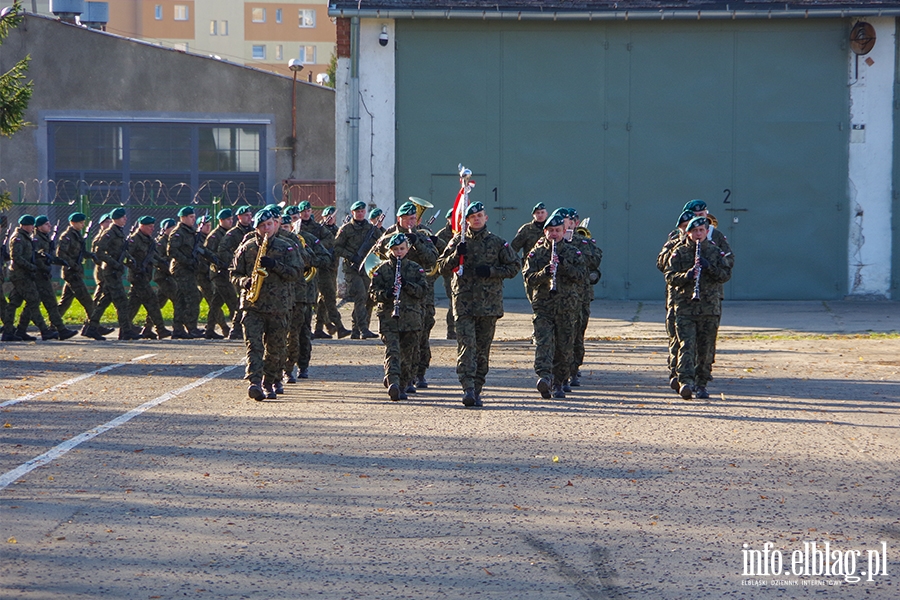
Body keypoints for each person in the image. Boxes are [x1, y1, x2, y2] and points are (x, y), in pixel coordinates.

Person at [436, 202, 520, 406]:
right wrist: (457, 255)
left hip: (488, 305)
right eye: (472, 216)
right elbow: (441, 267)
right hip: (464, 303)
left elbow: (514, 266)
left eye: (480, 215)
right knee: (467, 346)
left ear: (486, 218)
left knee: (482, 349)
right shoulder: (458, 241)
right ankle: (468, 388)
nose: (476, 219)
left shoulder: (498, 243)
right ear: (467, 220)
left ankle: (478, 388)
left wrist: (492, 272)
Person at [231, 209, 302, 400]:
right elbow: (234, 273)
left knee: (275, 349)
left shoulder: (287, 247)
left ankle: (269, 382)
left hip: (279, 307)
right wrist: (243, 281)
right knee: (254, 346)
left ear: (275, 224)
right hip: (252, 306)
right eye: (262, 226)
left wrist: (274, 265)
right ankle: (254, 382)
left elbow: (296, 273)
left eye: (269, 224)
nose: (266, 229)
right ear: (257, 228)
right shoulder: (247, 247)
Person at [664, 216, 734, 400]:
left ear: (705, 231)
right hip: (685, 307)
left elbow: (725, 275)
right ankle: (685, 381)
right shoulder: (679, 253)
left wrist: (709, 267)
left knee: (706, 348)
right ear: (688, 233)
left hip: (709, 307)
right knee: (687, 345)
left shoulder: (715, 251)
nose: (698, 234)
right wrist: (687, 275)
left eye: (701, 230)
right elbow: (669, 276)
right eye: (694, 231)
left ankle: (702, 384)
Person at [373, 201, 438, 392]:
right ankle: (397, 376)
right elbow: (376, 260)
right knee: (394, 342)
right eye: (407, 218)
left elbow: (433, 259)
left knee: (420, 336)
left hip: (418, 294)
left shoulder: (423, 234)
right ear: (399, 219)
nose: (411, 222)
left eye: (414, 218)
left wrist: (416, 241)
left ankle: (417, 373)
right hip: (392, 295)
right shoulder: (388, 236)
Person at [523, 210, 587, 398]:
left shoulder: (573, 252)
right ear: (545, 232)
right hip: (543, 306)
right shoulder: (536, 253)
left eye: (557, 230)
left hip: (567, 308)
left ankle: (559, 382)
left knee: (564, 346)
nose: (554, 234)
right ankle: (544, 376)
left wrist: (564, 266)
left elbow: (582, 276)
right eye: (550, 230)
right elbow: (528, 278)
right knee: (544, 343)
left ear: (564, 230)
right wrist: (544, 273)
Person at [369, 233, 427, 401]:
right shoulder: (382, 269)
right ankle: (393, 382)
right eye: (395, 249)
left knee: (408, 355)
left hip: (411, 318)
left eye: (401, 249)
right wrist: (387, 293)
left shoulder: (416, 269)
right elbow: (373, 293)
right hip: (389, 318)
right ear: (390, 251)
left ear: (407, 249)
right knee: (393, 352)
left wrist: (407, 285)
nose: (398, 252)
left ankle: (402, 384)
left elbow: (423, 291)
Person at [84, 207, 138, 340]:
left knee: (105, 301)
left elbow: (120, 251)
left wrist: (128, 259)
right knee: (122, 302)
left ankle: (92, 328)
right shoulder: (110, 233)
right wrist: (114, 263)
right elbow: (99, 251)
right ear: (117, 219)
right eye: (123, 217)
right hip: (110, 271)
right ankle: (125, 331)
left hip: (115, 271)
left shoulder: (119, 232)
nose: (125, 219)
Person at [6, 215, 63, 340]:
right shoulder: (18, 238)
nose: (33, 227)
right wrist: (32, 267)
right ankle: (44, 330)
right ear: (25, 225)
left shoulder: (26, 238)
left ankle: (12, 331)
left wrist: (41, 256)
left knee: (14, 303)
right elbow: (16, 257)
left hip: (25, 274)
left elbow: (30, 254)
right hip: (20, 275)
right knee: (34, 301)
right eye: (32, 225)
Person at [657, 210, 695, 390]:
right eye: (685, 227)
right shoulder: (674, 242)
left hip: (705, 299)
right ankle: (676, 371)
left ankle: (696, 374)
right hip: (678, 297)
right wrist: (677, 246)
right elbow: (661, 264)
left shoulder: (711, 240)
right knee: (677, 336)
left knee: (699, 339)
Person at [565, 208, 602, 389]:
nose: (567, 224)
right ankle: (561, 371)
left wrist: (582, 243)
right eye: (564, 221)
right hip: (559, 297)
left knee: (578, 333)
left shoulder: (584, 242)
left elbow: (595, 261)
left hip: (582, 295)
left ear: (576, 222)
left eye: (570, 221)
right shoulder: (550, 241)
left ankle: (574, 368)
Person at [334, 200, 379, 339]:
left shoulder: (371, 229)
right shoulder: (346, 229)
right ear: (352, 212)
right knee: (360, 295)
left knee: (365, 298)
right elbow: (336, 247)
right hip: (351, 269)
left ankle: (355, 330)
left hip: (366, 268)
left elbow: (381, 243)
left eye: (362, 211)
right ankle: (363, 329)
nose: (360, 214)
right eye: (357, 211)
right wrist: (352, 256)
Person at [167, 206, 212, 339]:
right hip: (181, 269)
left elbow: (198, 248)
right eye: (191, 217)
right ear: (183, 218)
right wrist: (187, 261)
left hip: (190, 269)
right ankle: (191, 327)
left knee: (181, 300)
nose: (193, 219)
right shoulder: (178, 232)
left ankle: (178, 329)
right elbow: (172, 251)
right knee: (193, 296)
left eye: (193, 217)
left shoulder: (191, 232)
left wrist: (212, 257)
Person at [126, 216, 171, 339]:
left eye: (153, 226)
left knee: (133, 305)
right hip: (137, 277)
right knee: (152, 301)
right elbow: (126, 256)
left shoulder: (149, 240)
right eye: (149, 226)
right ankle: (160, 329)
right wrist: (135, 266)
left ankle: (126, 329)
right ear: (142, 226)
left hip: (145, 276)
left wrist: (165, 264)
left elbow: (154, 255)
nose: (152, 229)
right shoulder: (134, 240)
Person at [217, 206, 254, 340]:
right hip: (239, 272)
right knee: (242, 300)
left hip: (251, 270)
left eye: (250, 215)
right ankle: (235, 329)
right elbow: (223, 250)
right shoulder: (233, 233)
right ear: (239, 217)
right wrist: (235, 261)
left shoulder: (253, 231)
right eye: (245, 215)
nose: (249, 217)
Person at [314, 205, 350, 338]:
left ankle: (320, 328)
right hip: (322, 268)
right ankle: (339, 326)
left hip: (333, 268)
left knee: (324, 300)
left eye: (332, 216)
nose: (330, 219)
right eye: (327, 216)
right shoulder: (319, 230)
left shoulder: (337, 230)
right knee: (329, 297)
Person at [56, 212, 95, 329]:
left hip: (75, 272)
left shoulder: (77, 235)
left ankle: (54, 324)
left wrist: (91, 255)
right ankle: (93, 326)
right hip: (71, 273)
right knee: (87, 300)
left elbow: (81, 252)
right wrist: (73, 265)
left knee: (65, 302)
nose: (83, 225)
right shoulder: (67, 236)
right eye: (80, 223)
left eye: (83, 222)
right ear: (73, 223)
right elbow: (61, 254)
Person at [205, 209, 239, 340]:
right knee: (232, 300)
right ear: (221, 221)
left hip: (226, 272)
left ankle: (209, 329)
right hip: (218, 273)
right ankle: (237, 329)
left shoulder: (229, 233)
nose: (231, 221)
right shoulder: (215, 235)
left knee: (216, 303)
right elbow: (207, 252)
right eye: (228, 220)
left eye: (231, 219)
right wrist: (218, 262)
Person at [434, 208, 456, 340]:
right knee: (454, 300)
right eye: (451, 218)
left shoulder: (463, 233)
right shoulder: (442, 235)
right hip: (449, 272)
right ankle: (451, 329)